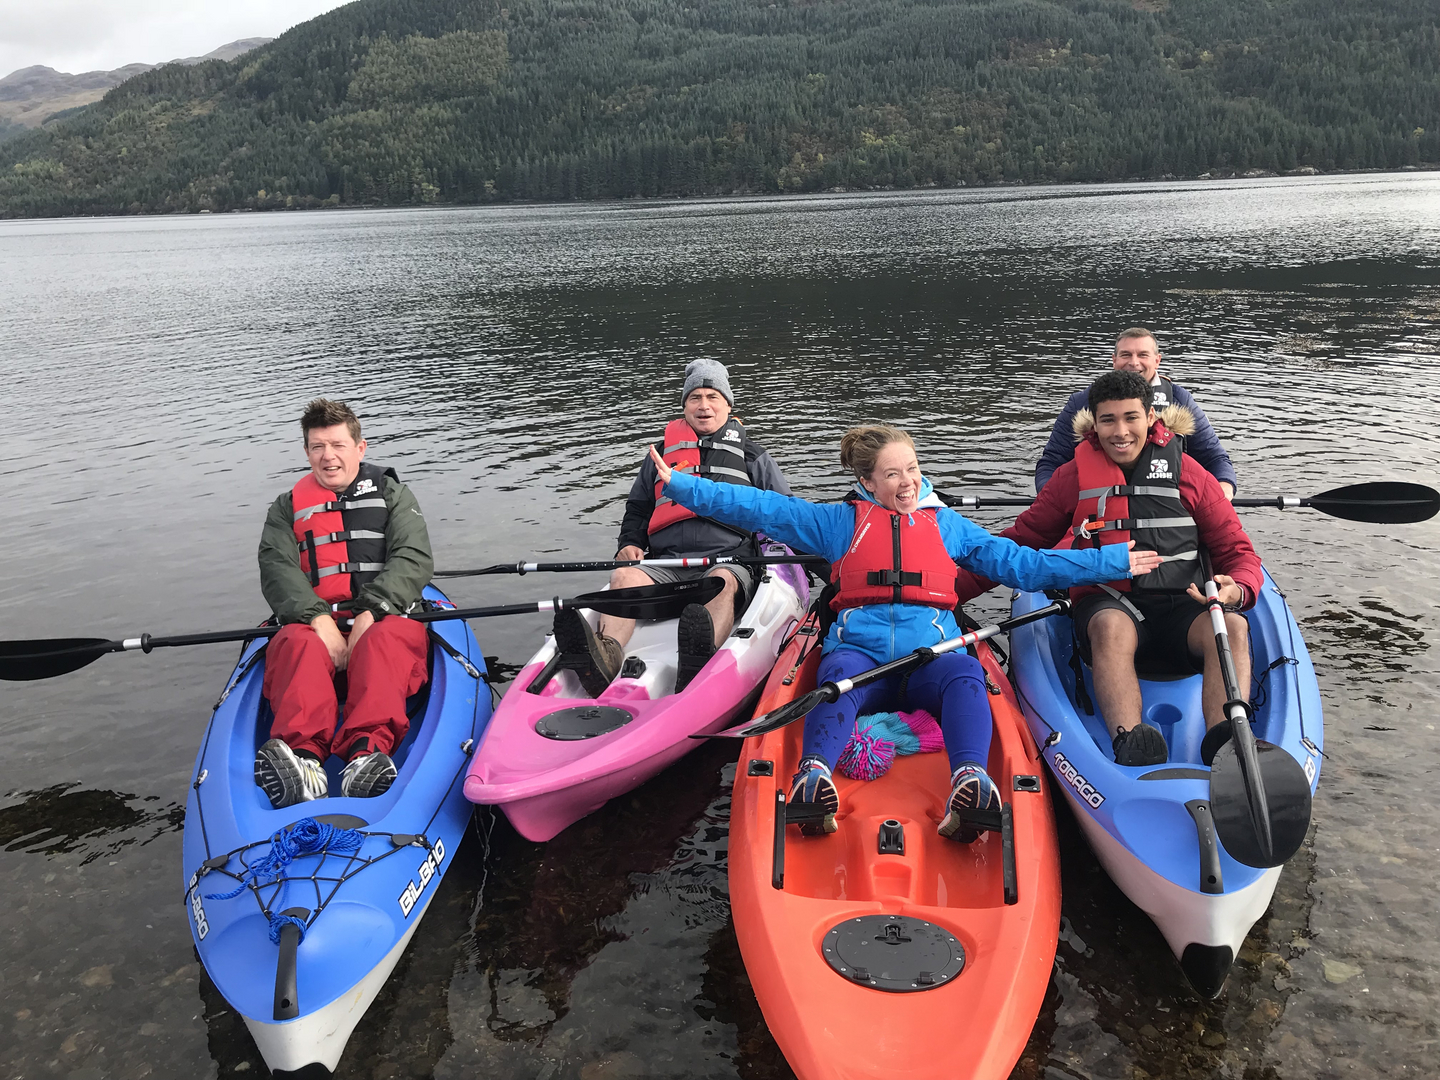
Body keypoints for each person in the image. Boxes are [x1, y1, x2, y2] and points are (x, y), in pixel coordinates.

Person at [648, 425, 1162, 837]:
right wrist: (680, 485)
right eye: (892, 475)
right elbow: (758, 507)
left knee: (965, 674)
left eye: (913, 469)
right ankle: (812, 777)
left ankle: (971, 780)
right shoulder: (837, 523)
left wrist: (1109, 561)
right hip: (861, 659)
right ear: (867, 482)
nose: (907, 482)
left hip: (929, 659)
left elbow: (1024, 565)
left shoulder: (945, 525)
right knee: (836, 678)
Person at [960, 370, 1264, 767]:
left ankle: (1227, 746)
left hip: (1183, 610)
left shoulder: (1191, 474)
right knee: (1110, 626)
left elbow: (1239, 552)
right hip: (1110, 605)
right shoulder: (1073, 477)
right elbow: (1019, 543)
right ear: (1094, 423)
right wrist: (945, 589)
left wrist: (1237, 590)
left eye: (1130, 418)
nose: (1120, 431)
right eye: (1108, 420)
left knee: (1234, 625)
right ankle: (1131, 743)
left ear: (1151, 417)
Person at [556, 360, 792, 694]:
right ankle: (605, 654)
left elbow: (786, 510)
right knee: (623, 576)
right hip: (665, 563)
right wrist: (630, 542)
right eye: (695, 397)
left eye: (712, 396)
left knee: (721, 583)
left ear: (728, 404)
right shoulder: (660, 456)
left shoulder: (753, 456)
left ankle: (699, 658)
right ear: (684, 406)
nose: (704, 405)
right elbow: (638, 507)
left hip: (725, 561)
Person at [253, 399, 435, 808]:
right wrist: (319, 621)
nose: (327, 456)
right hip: (317, 620)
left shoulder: (392, 494)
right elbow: (277, 569)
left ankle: (365, 754)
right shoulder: (286, 508)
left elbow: (413, 557)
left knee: (384, 642)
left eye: (336, 444)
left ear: (360, 448)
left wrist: (372, 612)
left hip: (384, 617)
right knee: (296, 644)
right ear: (306, 453)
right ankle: (302, 762)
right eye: (317, 447)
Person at [1034, 327, 1238, 499]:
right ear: (1114, 360)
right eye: (1125, 355)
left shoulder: (1179, 400)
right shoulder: (1081, 402)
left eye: (1142, 355)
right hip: (1099, 516)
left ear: (1157, 361)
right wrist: (1053, 502)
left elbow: (1215, 460)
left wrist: (1222, 497)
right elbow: (1052, 461)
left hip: (1164, 511)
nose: (1134, 362)